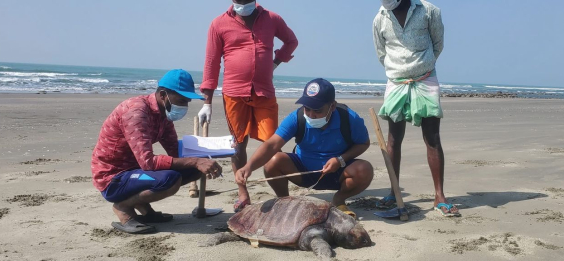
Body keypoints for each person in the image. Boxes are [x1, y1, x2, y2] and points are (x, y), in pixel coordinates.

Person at [91, 69, 223, 234]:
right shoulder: (136, 113)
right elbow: (148, 162)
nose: (184, 106)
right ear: (163, 95)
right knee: (170, 179)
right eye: (181, 100)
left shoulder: (163, 115)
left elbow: (175, 150)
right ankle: (123, 207)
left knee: (193, 170)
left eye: (187, 102)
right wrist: (196, 161)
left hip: (135, 171)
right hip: (113, 177)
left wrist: (206, 155)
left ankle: (144, 208)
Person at [199, 0, 298, 212]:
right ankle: (243, 193)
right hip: (234, 93)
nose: (242, 3)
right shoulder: (218, 24)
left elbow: (291, 41)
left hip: (264, 91)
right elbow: (211, 61)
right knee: (238, 143)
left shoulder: (272, 18)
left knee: (273, 143)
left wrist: (276, 62)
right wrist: (207, 101)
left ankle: (282, 195)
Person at [234, 79, 374, 218]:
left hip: (338, 173)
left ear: (332, 106)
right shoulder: (298, 117)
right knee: (274, 160)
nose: (311, 115)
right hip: (304, 172)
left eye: (318, 110)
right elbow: (271, 145)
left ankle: (339, 199)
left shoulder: (349, 118)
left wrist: (340, 159)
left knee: (364, 169)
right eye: (307, 108)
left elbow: (363, 143)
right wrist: (249, 167)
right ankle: (285, 202)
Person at [372, 0, 460, 217]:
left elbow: (438, 43)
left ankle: (439, 196)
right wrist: (400, 70)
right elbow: (381, 53)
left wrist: (422, 65)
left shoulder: (429, 11)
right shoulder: (379, 18)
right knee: (394, 139)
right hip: (396, 81)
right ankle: (393, 192)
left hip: (426, 78)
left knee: (432, 137)